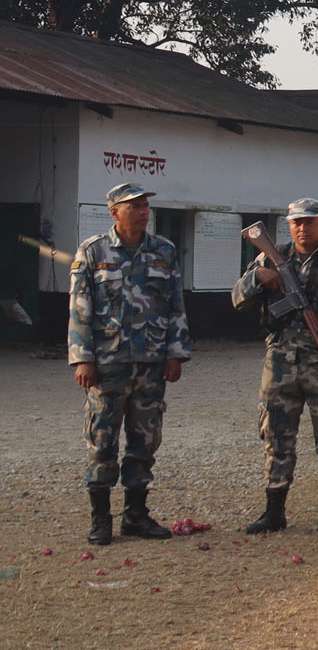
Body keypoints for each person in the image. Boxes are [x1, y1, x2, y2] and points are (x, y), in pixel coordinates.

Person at [232, 198, 318, 536]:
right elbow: (237, 299)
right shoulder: (270, 256)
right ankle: (273, 511)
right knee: (277, 439)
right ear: (288, 226)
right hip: (280, 364)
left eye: (310, 222)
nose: (303, 229)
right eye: (297, 223)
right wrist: (259, 277)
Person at [67, 182, 191, 545]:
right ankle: (101, 519)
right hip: (108, 365)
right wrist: (83, 359)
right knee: (102, 441)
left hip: (152, 365)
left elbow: (176, 306)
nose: (142, 211)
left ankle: (136, 516)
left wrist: (175, 353)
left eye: (144, 206)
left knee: (145, 442)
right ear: (114, 212)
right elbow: (79, 311)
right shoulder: (93, 252)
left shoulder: (164, 251)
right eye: (133, 206)